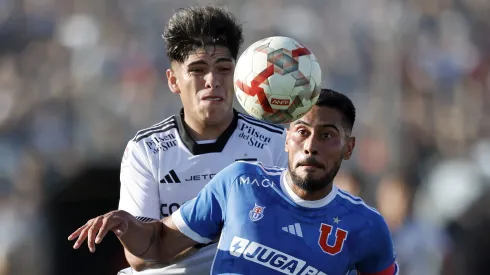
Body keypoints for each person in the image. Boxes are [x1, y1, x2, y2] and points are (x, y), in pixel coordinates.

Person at [69, 89, 399, 275]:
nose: (311, 145)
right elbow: (158, 244)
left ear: (349, 148)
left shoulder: (366, 226)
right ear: (286, 140)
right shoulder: (241, 182)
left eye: (327, 135)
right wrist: (127, 225)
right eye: (302, 132)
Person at [116, 5, 289, 274]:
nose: (212, 80)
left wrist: (173, 234)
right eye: (198, 70)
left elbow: (291, 236)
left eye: (223, 68)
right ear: (174, 81)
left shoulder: (275, 141)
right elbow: (140, 256)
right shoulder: (146, 150)